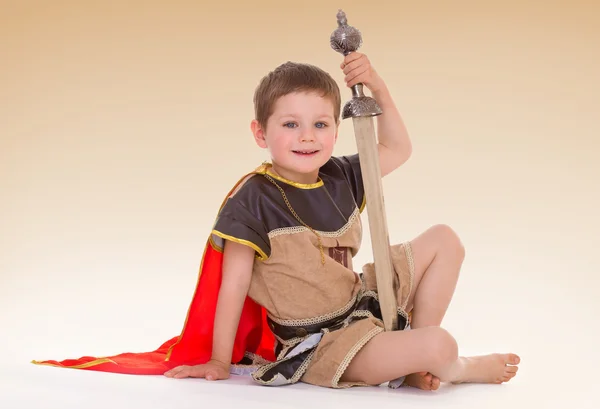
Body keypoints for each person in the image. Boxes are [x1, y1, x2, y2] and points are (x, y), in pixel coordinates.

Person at [33, 52, 519, 391]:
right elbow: (233, 283)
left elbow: (397, 149)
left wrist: (379, 86)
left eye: (321, 124)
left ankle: (410, 354)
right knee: (441, 345)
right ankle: (449, 365)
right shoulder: (253, 199)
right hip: (323, 341)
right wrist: (220, 360)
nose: (307, 137)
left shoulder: (342, 174)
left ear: (335, 127)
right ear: (260, 133)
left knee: (445, 240)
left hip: (363, 302)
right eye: (290, 124)